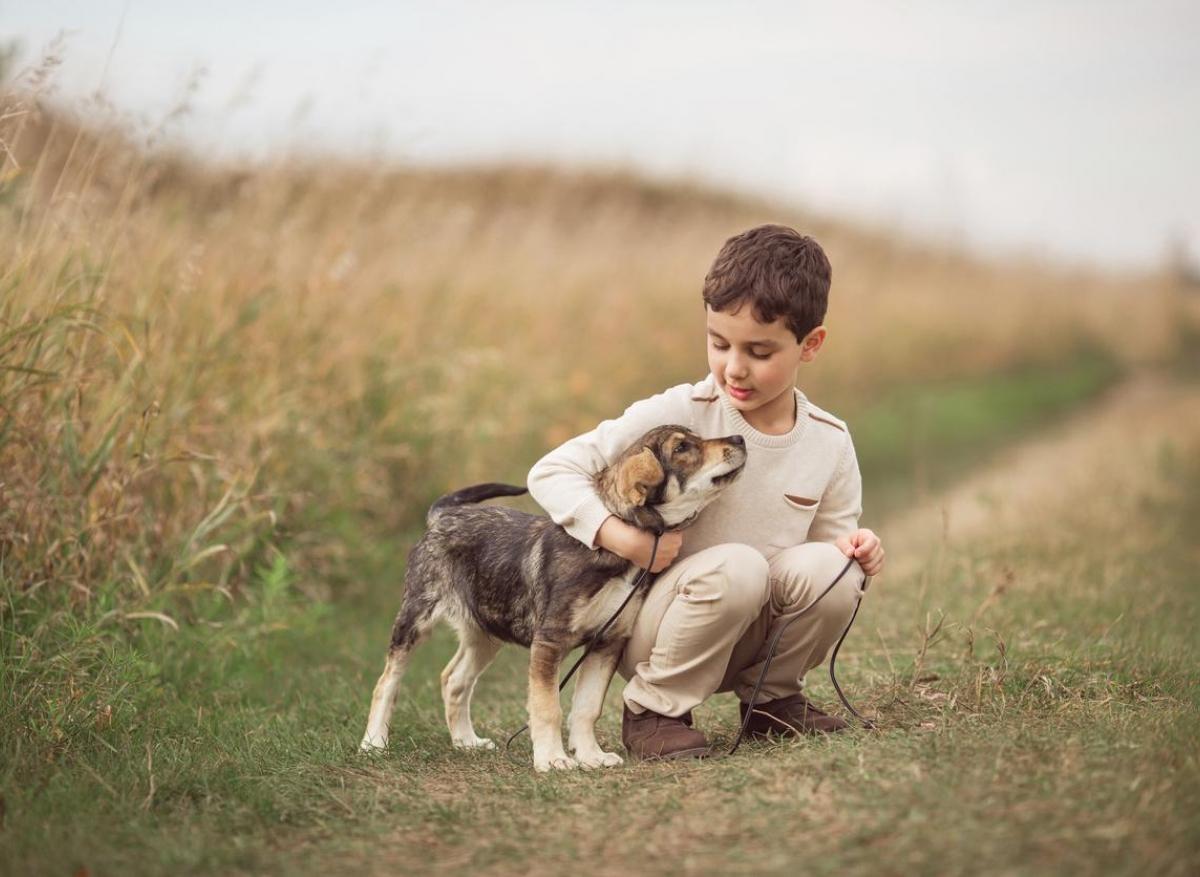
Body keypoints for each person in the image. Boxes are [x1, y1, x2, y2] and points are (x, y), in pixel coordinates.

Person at [527, 225, 886, 760]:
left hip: (757, 625)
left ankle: (772, 701)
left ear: (810, 345)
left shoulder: (829, 441)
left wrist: (857, 549)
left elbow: (829, 545)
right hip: (662, 627)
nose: (733, 368)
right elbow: (550, 472)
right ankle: (654, 708)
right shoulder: (681, 412)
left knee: (837, 570)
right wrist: (626, 541)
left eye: (759, 352)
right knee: (738, 566)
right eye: (719, 344)